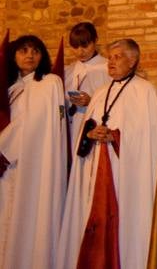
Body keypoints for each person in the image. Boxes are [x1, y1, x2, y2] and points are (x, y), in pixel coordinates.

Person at [56, 38, 157, 269]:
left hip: (125, 177)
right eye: (110, 58)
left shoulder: (146, 93)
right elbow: (87, 128)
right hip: (96, 171)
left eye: (117, 57)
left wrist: (114, 137)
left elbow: (148, 141)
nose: (111, 63)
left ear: (133, 61)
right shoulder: (100, 93)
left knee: (122, 230)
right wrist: (90, 134)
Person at [0, 35, 67, 269]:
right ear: (13, 56)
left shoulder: (49, 83)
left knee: (31, 217)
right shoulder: (11, 89)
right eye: (23, 50)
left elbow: (32, 122)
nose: (29, 55)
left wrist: (3, 149)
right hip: (9, 168)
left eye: (35, 51)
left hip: (35, 164)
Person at [63, 22, 109, 126]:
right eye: (75, 47)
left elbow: (114, 101)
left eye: (85, 45)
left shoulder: (108, 68)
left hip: (94, 125)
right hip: (70, 126)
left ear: (95, 40)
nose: (80, 52)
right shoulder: (68, 70)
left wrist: (91, 101)